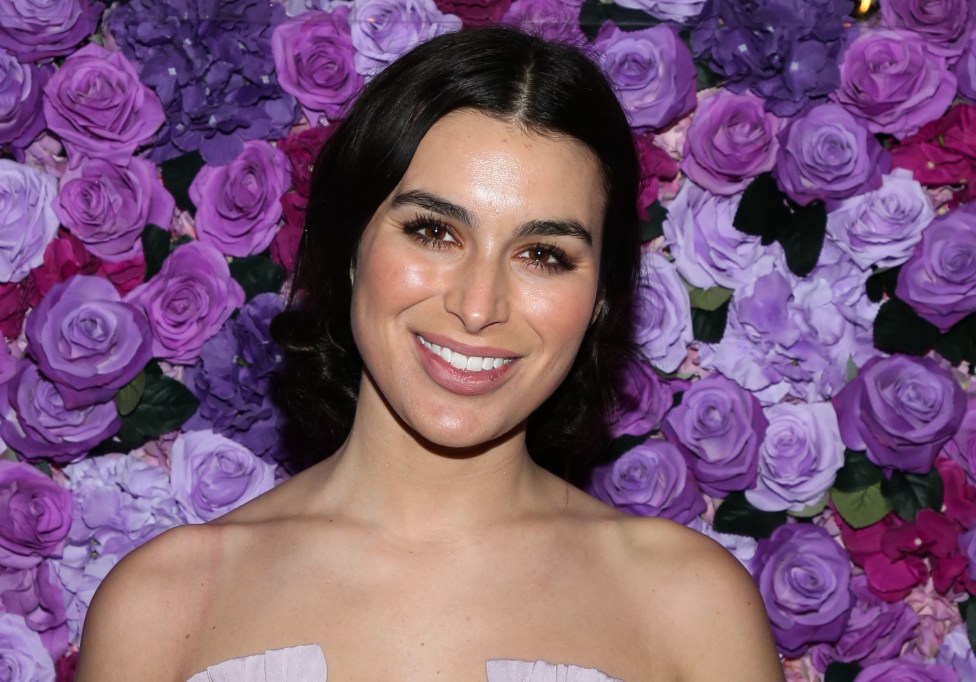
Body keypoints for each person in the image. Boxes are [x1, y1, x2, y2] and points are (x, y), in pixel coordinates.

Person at [76, 27, 783, 682]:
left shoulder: (691, 609)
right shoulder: (162, 608)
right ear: (351, 247)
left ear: (601, 298)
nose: (479, 307)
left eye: (542, 254)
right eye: (434, 232)